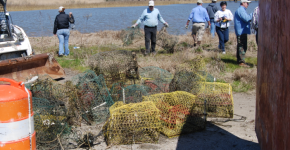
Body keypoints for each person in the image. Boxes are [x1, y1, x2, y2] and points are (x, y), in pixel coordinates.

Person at [234, 0, 252, 67]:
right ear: (243, 3)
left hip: (241, 31)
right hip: (241, 32)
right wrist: (254, 13)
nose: (248, 4)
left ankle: (239, 61)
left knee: (241, 46)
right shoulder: (241, 10)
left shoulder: (241, 10)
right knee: (242, 46)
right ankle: (241, 62)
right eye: (247, 3)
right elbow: (247, 18)